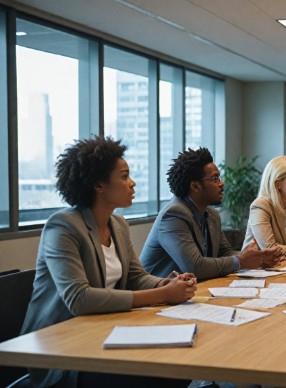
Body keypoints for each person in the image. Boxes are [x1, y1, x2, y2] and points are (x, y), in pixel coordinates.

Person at [21, 136, 195, 388]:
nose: (132, 183)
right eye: (124, 177)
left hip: (103, 331)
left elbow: (136, 277)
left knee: (176, 365)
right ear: (98, 185)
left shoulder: (118, 224)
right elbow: (79, 299)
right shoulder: (62, 227)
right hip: (61, 347)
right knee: (158, 374)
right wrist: (163, 295)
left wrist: (165, 283)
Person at [141, 148, 283, 280]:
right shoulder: (173, 215)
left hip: (191, 292)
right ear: (195, 186)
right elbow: (195, 267)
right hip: (156, 300)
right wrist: (241, 261)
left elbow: (225, 253)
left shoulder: (211, 214)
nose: (222, 183)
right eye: (215, 179)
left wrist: (257, 258)